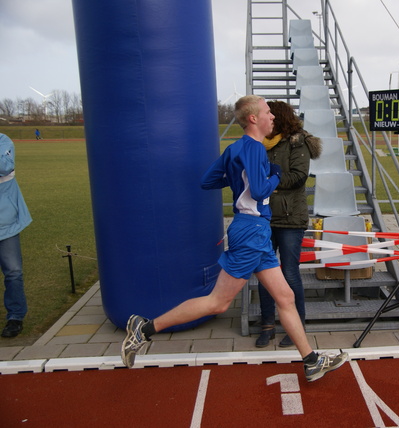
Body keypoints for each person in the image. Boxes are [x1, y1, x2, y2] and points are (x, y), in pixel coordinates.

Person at [121, 95, 347, 382]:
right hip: (251, 230)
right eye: (267, 112)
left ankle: (311, 361)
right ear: (253, 118)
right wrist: (275, 175)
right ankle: (144, 329)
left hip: (257, 231)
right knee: (218, 302)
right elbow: (262, 192)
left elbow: (208, 181)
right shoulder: (253, 148)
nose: (273, 117)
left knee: (285, 297)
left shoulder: (236, 148)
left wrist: (238, 177)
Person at [255, 101, 321, 348]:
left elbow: (298, 177)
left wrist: (267, 181)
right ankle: (267, 326)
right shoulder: (259, 142)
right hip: (263, 217)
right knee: (265, 274)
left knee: (289, 272)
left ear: (280, 117)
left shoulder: (297, 141)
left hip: (291, 217)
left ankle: (297, 325)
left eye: (271, 113)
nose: (268, 117)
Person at [0, 133, 32, 338]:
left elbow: (4, 166)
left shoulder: (4, 141)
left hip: (6, 222)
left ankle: (15, 317)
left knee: (13, 272)